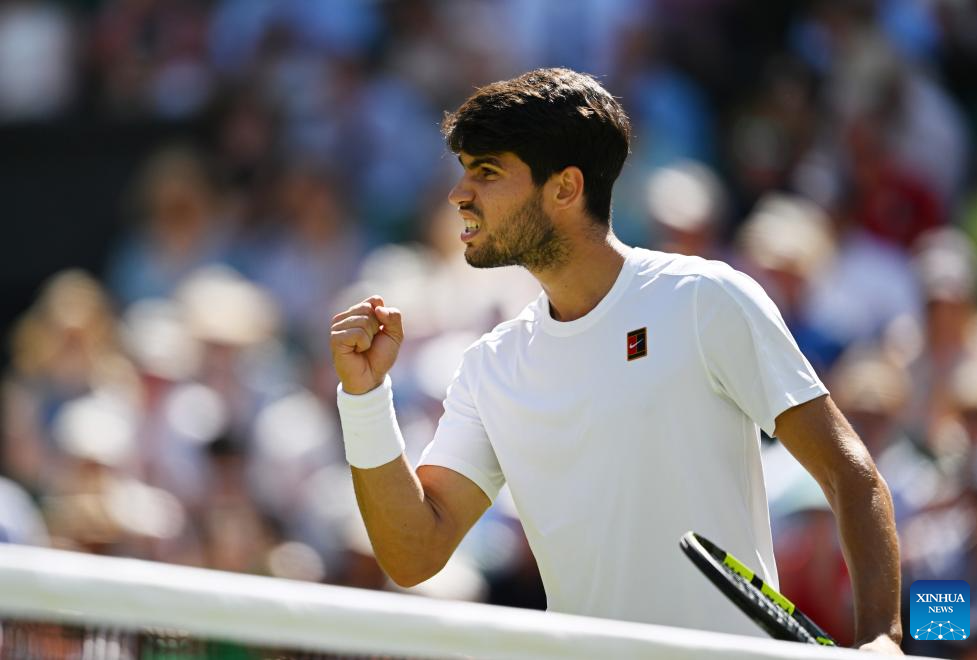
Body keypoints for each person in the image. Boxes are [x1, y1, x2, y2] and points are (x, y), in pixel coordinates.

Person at [330, 68, 902, 653]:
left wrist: (882, 636)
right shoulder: (490, 366)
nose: (459, 194)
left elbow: (849, 474)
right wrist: (364, 397)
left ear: (564, 188)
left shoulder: (705, 300)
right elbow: (414, 554)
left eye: (487, 171)